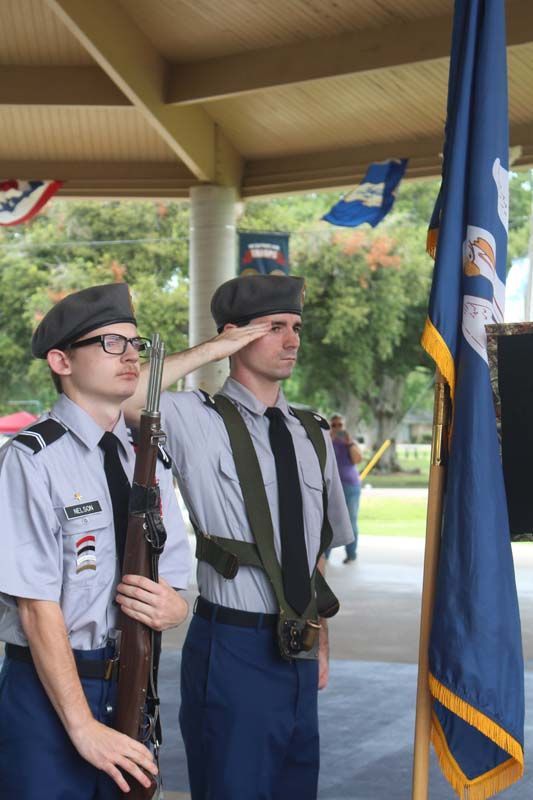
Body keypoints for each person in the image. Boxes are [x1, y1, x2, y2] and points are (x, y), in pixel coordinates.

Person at [123, 273, 353, 800]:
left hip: (297, 640)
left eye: (295, 326)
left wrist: (319, 638)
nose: (292, 339)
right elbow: (127, 394)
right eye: (275, 327)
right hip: (233, 645)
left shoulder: (312, 432)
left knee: (297, 789)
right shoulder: (192, 417)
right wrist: (215, 348)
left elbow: (313, 549)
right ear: (237, 336)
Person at [0, 283, 191, 800]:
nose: (130, 354)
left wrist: (175, 608)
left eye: (135, 342)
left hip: (132, 677)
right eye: (110, 343)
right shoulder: (32, 458)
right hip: (50, 687)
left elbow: (173, 575)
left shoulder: (148, 459)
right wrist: (82, 727)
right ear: (62, 360)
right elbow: (36, 608)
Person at [329, 413, 363, 563]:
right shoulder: (326, 441)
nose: (337, 428)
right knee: (328, 520)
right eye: (334, 425)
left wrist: (349, 442)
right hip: (331, 486)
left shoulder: (350, 443)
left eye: (340, 425)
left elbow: (357, 459)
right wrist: (330, 437)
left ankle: (351, 554)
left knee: (351, 520)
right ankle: (325, 555)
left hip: (350, 485)